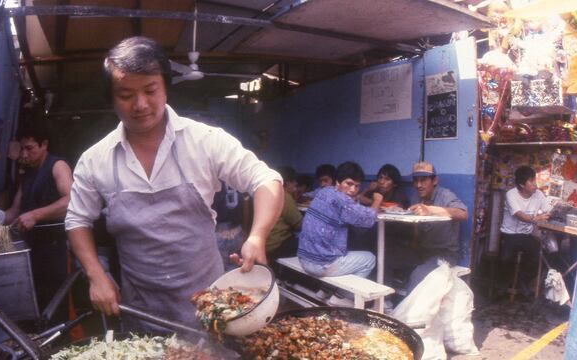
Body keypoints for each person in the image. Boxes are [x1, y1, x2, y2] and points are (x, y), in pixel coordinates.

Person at [64, 36, 283, 331]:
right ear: (112, 98)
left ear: (166, 87)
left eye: (150, 90)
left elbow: (266, 179)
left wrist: (257, 236)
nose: (140, 104)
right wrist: (96, 275)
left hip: (210, 305)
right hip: (142, 310)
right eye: (126, 94)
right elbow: (77, 220)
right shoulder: (95, 160)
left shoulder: (204, 140)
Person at [4, 124, 73, 317]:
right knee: (40, 302)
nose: (24, 155)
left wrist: (36, 215)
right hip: (34, 249)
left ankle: (65, 342)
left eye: (30, 148)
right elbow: (15, 211)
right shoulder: (27, 174)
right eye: (22, 149)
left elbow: (71, 201)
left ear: (44, 145)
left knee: (60, 302)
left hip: (57, 247)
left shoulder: (57, 166)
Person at [297, 161, 382, 306]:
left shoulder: (323, 191)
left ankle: (324, 291)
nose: (353, 189)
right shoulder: (342, 201)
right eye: (348, 184)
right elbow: (367, 219)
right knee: (370, 259)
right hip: (319, 265)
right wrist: (377, 201)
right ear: (337, 182)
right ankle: (341, 297)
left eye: (356, 186)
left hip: (304, 258)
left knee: (345, 251)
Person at [404, 161, 468, 293]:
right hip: (423, 251)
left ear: (434, 181)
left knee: (418, 274)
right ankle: (386, 303)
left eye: (423, 180)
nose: (418, 185)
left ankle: (410, 313)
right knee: (388, 258)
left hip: (445, 255)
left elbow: (463, 214)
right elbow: (416, 223)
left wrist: (430, 209)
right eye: (415, 180)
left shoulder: (445, 195)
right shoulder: (415, 197)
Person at [499, 166, 553, 294]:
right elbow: (519, 214)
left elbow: (548, 210)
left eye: (535, 180)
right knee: (505, 259)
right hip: (509, 234)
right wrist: (536, 219)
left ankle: (523, 279)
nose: (535, 184)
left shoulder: (538, 194)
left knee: (537, 255)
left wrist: (549, 213)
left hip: (526, 235)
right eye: (531, 181)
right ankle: (502, 284)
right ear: (522, 184)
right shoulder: (511, 194)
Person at [266, 166, 303, 263]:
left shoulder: (267, 193)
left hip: (265, 244)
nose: (296, 184)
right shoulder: (284, 196)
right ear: (287, 183)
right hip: (277, 246)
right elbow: (299, 224)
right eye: (294, 181)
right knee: (310, 242)